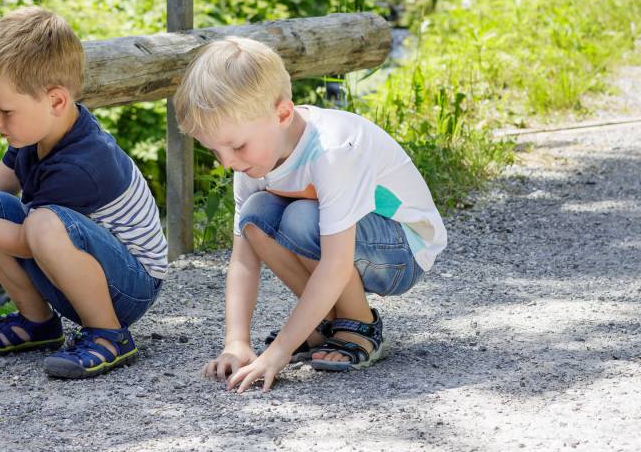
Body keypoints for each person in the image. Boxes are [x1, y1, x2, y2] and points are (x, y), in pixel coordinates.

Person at [0, 7, 167, 379]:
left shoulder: (83, 164)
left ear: (55, 101)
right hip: (87, 270)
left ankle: (109, 335)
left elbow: (28, 241)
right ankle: (37, 323)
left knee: (39, 223)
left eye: (5, 110)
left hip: (130, 285)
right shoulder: (36, 134)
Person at [174, 36, 446, 393]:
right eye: (215, 151)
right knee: (255, 217)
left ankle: (358, 325)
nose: (228, 162)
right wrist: (236, 341)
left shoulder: (332, 150)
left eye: (237, 146)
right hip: (351, 244)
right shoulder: (253, 158)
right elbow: (243, 259)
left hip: (402, 248)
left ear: (283, 114)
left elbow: (335, 263)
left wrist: (279, 351)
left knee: (303, 218)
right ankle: (324, 326)